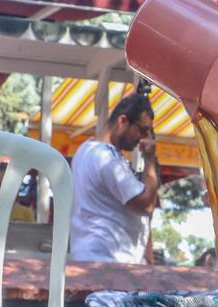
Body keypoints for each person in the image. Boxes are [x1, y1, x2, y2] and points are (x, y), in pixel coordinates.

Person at [69, 93, 161, 264]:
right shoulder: (106, 158)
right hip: (109, 260)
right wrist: (150, 161)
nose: (143, 138)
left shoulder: (86, 150)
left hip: (96, 257)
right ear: (122, 121)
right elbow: (145, 205)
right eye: (142, 130)